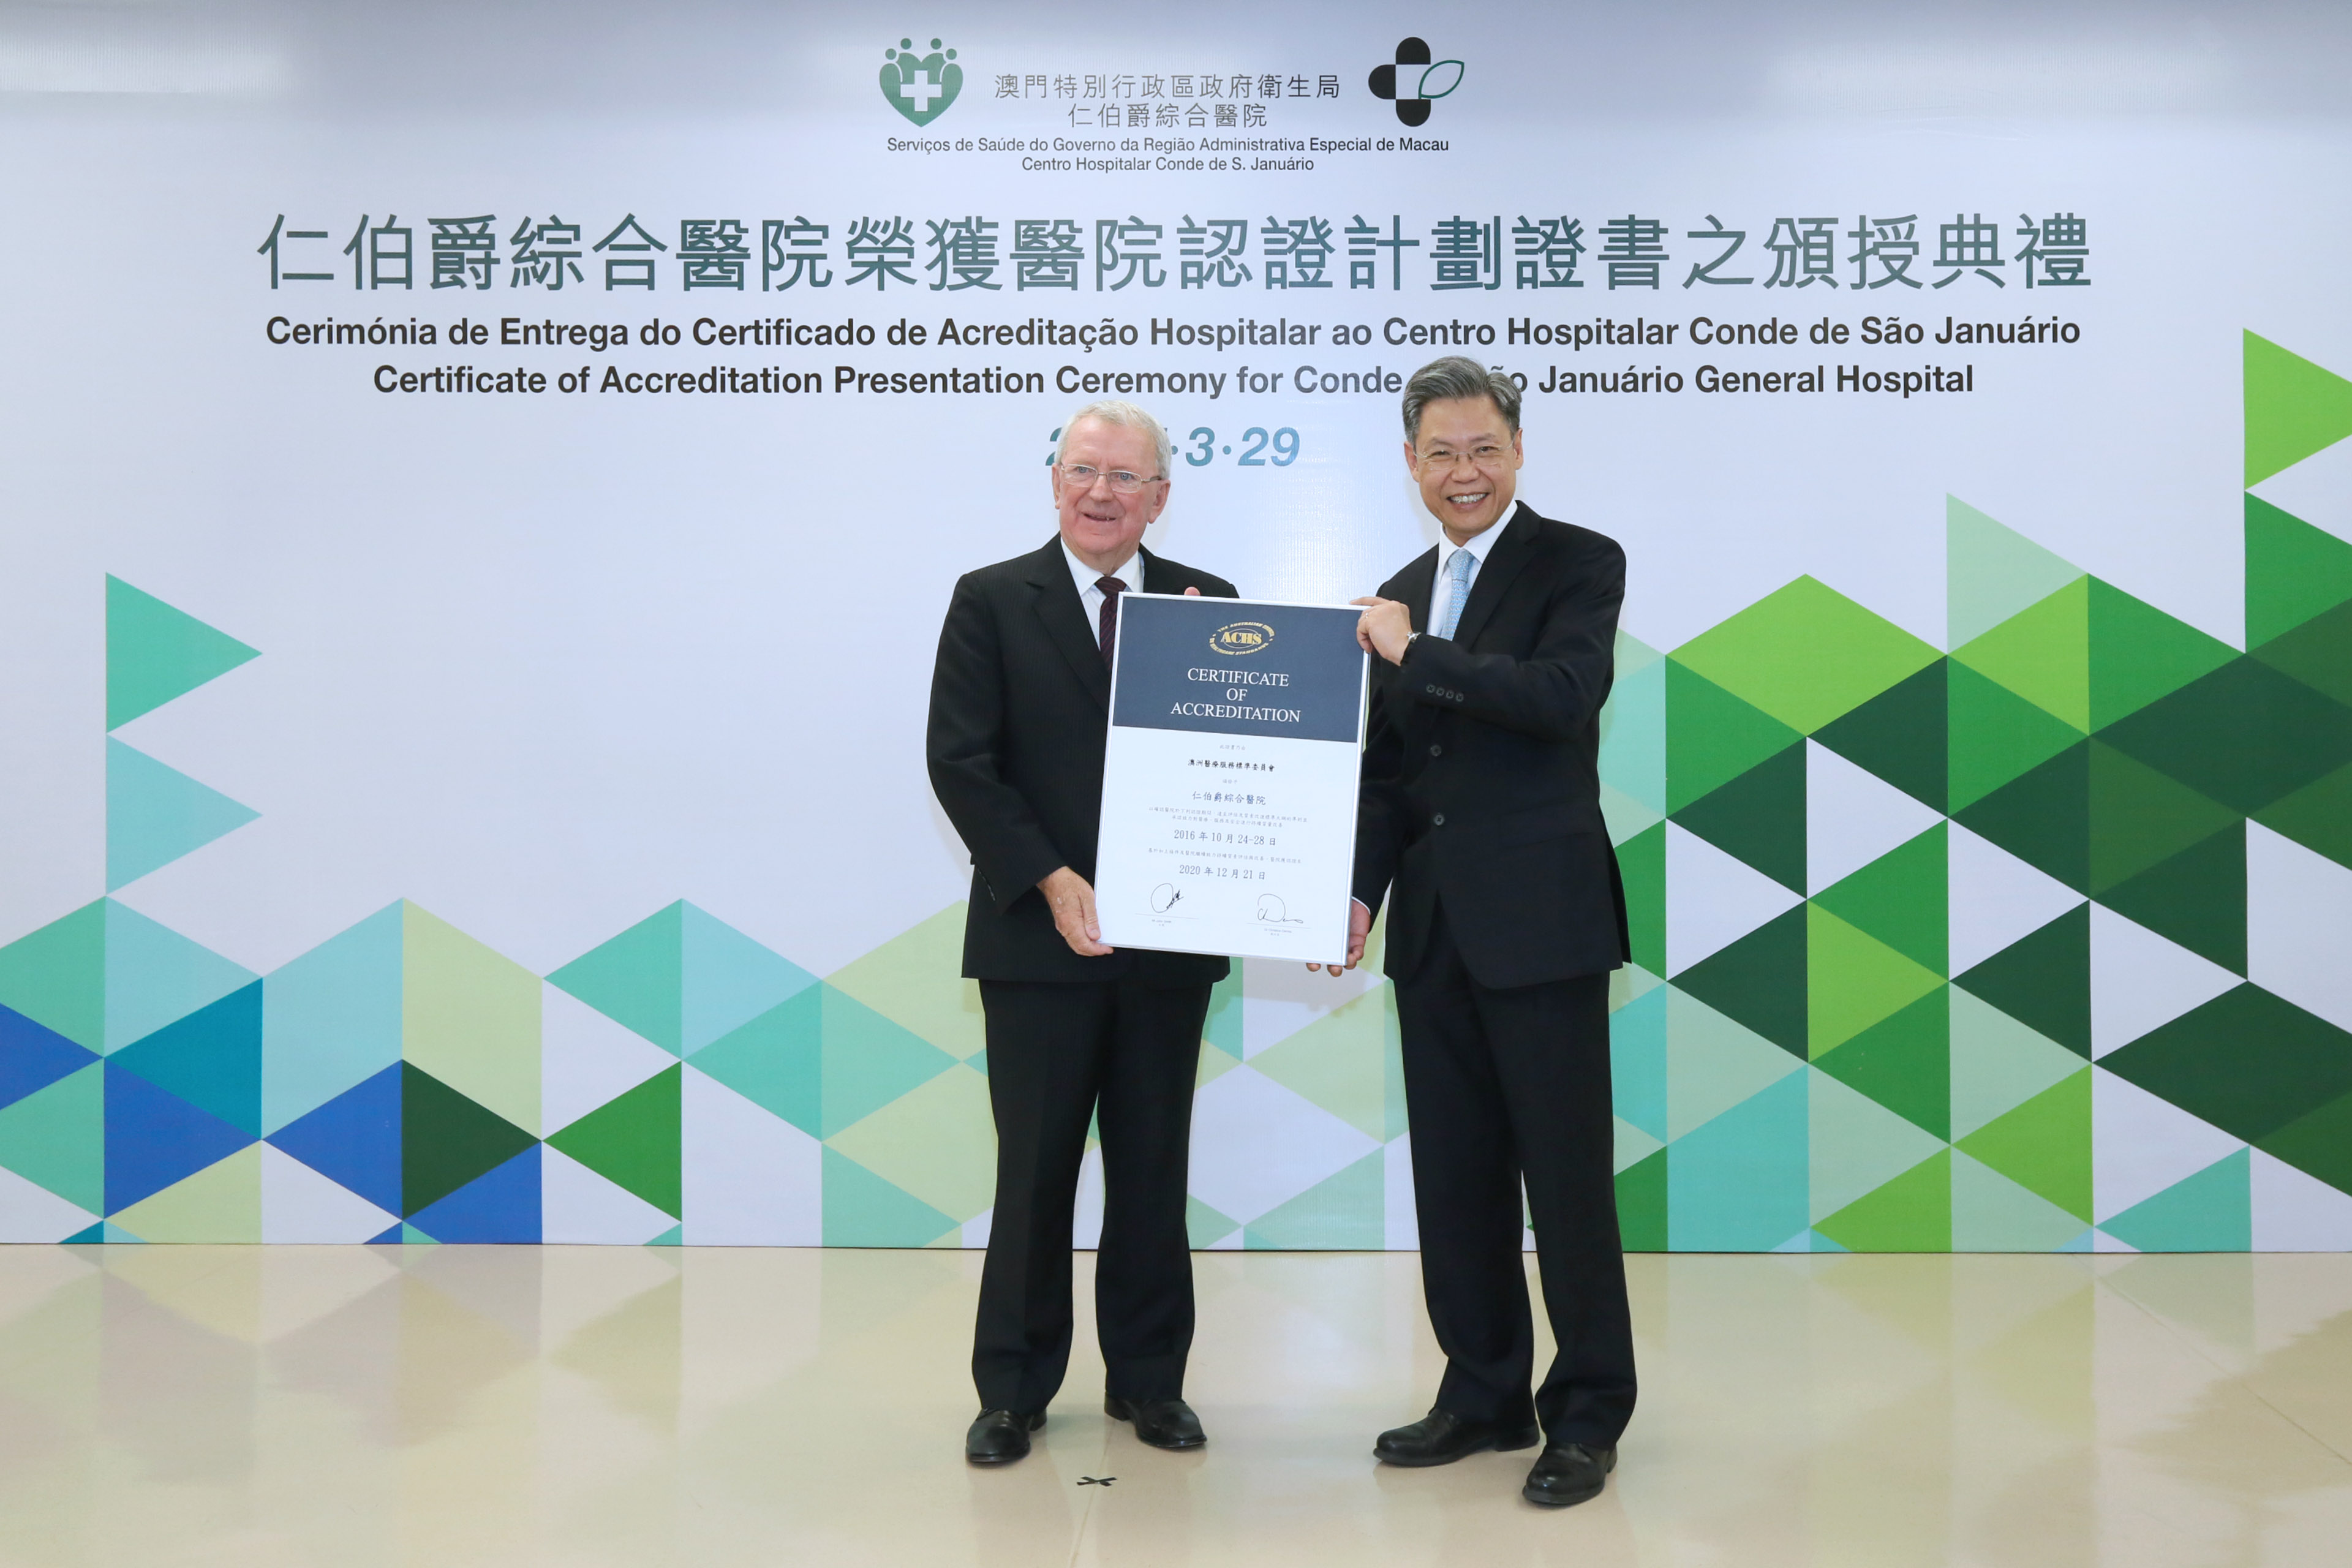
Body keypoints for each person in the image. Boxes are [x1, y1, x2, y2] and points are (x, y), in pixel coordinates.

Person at [1315, 355, 1634, 1508]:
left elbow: (1558, 697)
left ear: (1518, 451)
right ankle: (1485, 1391)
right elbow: (1387, 775)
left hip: (1544, 922)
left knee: (1566, 1180)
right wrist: (1356, 892)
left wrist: (1413, 652)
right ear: (1411, 464)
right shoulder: (1402, 591)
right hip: (1437, 929)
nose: (1465, 472)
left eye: (1484, 449)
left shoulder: (1578, 562)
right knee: (1455, 1179)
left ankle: (1587, 1415)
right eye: (1442, 453)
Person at [927, 399, 1238, 1466]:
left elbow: (1246, 764)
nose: (1102, 493)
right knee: (1035, 1172)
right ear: (1055, 481)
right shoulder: (989, 599)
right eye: (1083, 471)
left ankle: (1150, 1384)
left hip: (1169, 943)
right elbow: (960, 762)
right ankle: (1012, 1392)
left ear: (1160, 497)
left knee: (1153, 1169)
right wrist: (1054, 880)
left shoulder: (1209, 605)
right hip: (1036, 938)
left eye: (1126, 477)